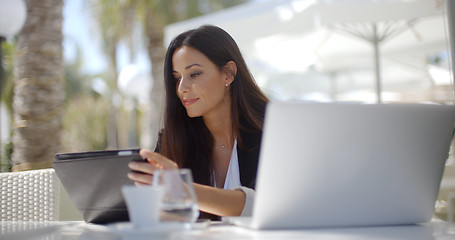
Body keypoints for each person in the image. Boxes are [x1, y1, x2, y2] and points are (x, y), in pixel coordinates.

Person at [128, 25, 269, 219]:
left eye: (194, 74)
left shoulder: (272, 130)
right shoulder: (174, 139)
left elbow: (267, 206)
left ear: (228, 73)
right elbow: (163, 218)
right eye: (177, 78)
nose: (181, 88)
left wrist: (183, 190)